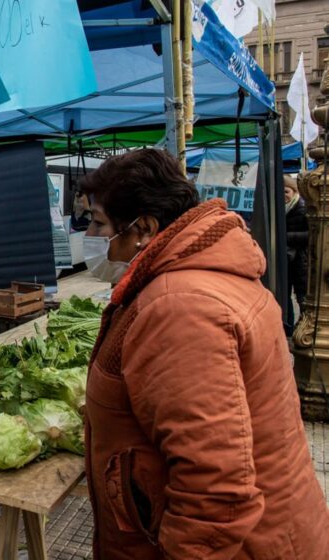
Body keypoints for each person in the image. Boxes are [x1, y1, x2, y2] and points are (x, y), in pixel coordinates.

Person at [80, 149, 329, 559]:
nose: (90, 234)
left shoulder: (180, 306)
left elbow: (214, 490)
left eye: (99, 222)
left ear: (143, 227)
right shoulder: (204, 274)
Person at [284, 175, 308, 326]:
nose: (284, 196)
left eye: (286, 191)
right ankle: (289, 329)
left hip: (301, 261)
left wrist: (285, 237)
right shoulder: (278, 209)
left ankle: (305, 329)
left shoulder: (302, 208)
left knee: (302, 297)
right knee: (284, 298)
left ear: (293, 191)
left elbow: (310, 235)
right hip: (285, 259)